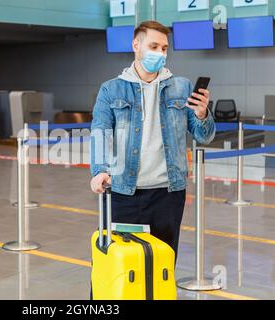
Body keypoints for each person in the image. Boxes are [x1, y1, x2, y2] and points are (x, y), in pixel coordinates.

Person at [90, 20, 215, 259]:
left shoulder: (182, 87)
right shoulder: (111, 89)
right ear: (136, 45)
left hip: (168, 195)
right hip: (123, 192)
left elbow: (204, 136)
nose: (159, 53)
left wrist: (202, 114)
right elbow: (100, 131)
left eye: (164, 48)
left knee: (162, 264)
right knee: (118, 264)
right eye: (153, 46)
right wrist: (99, 170)